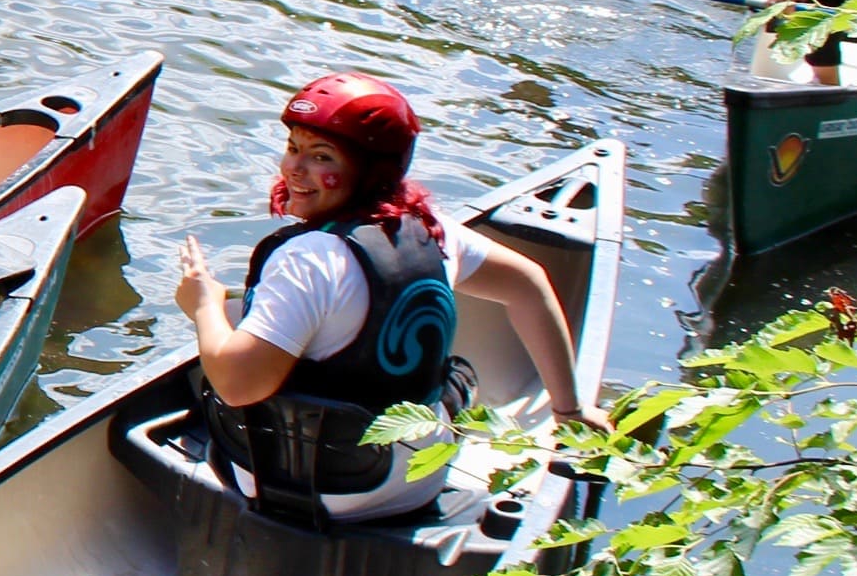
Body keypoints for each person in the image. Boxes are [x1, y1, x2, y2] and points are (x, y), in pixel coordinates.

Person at [172, 73, 589, 527]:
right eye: (293, 148)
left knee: (222, 327)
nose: (294, 169)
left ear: (370, 171)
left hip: (302, 485)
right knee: (456, 375)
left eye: (322, 157)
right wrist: (569, 411)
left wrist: (203, 302)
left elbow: (237, 386)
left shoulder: (307, 260)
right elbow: (529, 282)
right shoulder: (431, 231)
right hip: (413, 484)